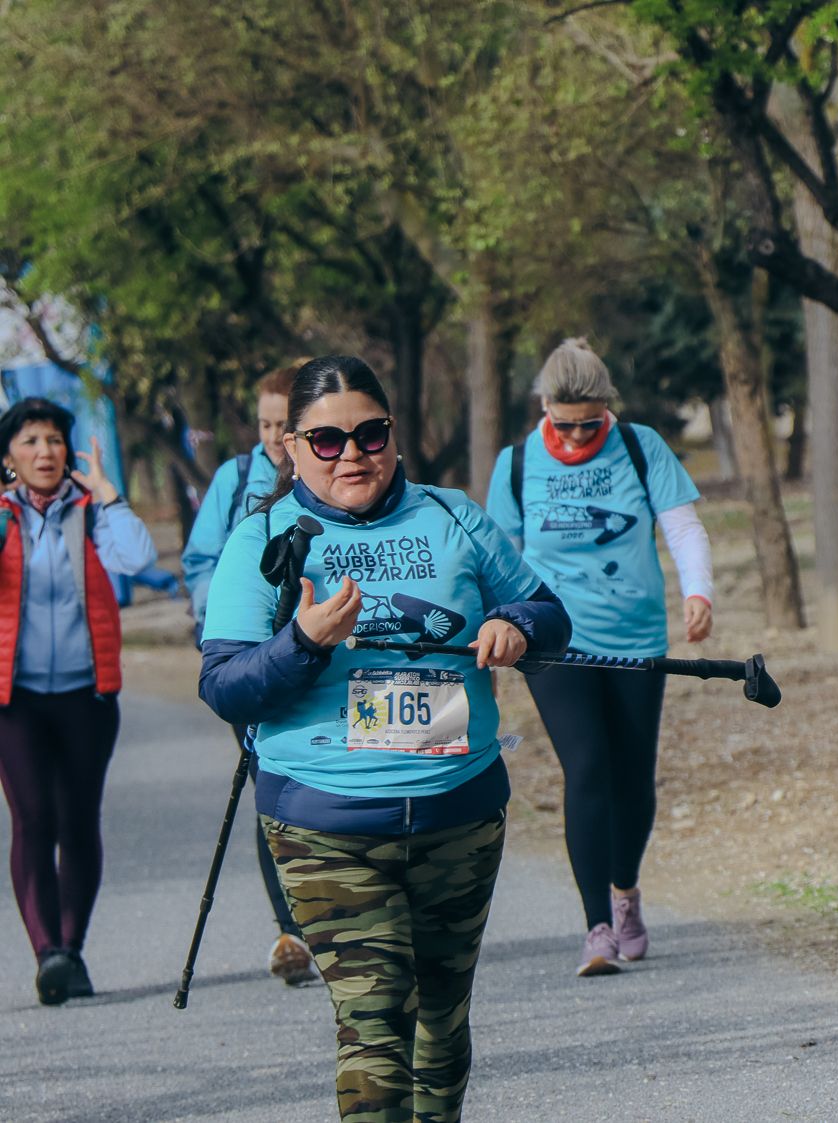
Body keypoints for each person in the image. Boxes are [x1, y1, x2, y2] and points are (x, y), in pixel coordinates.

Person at [197, 356, 569, 1121]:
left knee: (442, 1023)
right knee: (375, 1028)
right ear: (293, 447)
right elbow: (225, 685)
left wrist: (515, 624)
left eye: (370, 433)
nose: (353, 453)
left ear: (393, 435)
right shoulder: (263, 540)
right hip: (324, 822)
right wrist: (300, 642)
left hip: (457, 813)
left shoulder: (454, 515)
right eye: (327, 440)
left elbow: (548, 612)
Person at [486, 338, 710, 976]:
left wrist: (700, 592)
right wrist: (501, 623)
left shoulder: (641, 447)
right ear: (544, 408)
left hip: (636, 635)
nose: (579, 435)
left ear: (608, 408)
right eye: (565, 423)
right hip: (552, 641)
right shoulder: (518, 463)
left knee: (633, 778)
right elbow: (499, 554)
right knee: (586, 769)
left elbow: (683, 528)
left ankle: (626, 891)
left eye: (591, 421)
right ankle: (598, 928)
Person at [0, 398, 157, 1005]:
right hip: (13, 699)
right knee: (33, 816)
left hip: (87, 694)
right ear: (9, 455)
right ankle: (48, 953)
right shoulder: (4, 515)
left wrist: (111, 496)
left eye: (55, 441)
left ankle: (72, 949)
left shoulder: (91, 512)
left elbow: (138, 560)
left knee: (78, 819)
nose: (45, 452)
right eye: (31, 441)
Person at [180, 360, 317, 985]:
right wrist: (225, 616)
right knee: (270, 781)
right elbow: (201, 555)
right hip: (251, 657)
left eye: (281, 424)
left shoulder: (339, 476)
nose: (269, 436)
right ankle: (291, 927)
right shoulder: (238, 480)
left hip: (325, 652)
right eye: (262, 424)